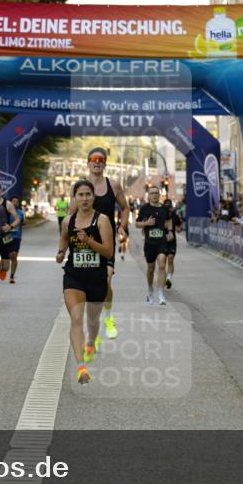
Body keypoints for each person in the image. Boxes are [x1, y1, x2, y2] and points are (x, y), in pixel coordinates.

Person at [67, 148, 129, 338]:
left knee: (106, 280)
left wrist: (122, 226)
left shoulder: (114, 185)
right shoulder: (79, 187)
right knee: (86, 287)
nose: (97, 162)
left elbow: (125, 208)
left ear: (105, 163)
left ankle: (108, 318)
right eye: (93, 159)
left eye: (101, 159)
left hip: (105, 242)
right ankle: (92, 325)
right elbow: (70, 214)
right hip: (83, 243)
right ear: (87, 162)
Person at [56, 180, 114, 384]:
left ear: (93, 197)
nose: (84, 198)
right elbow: (64, 237)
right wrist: (61, 252)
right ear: (75, 198)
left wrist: (89, 241)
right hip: (74, 276)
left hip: (96, 277)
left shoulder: (102, 220)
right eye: (80, 195)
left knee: (92, 320)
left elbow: (109, 251)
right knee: (76, 319)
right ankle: (81, 368)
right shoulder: (68, 221)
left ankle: (91, 340)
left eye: (88, 194)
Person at [136, 185, 173, 306]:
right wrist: (146, 223)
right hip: (149, 243)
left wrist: (170, 231)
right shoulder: (144, 209)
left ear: (159, 195)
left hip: (161, 242)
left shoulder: (164, 208)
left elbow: (169, 220)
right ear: (148, 195)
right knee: (151, 269)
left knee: (162, 264)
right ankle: (150, 290)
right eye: (152, 193)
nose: (154, 195)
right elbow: (137, 224)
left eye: (156, 193)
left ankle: (161, 293)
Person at [163, 198, 183, 289]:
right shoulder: (160, 215)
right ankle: (163, 278)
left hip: (171, 241)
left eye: (169, 206)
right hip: (161, 241)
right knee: (162, 262)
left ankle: (169, 279)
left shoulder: (174, 215)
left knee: (170, 259)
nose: (168, 208)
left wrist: (179, 229)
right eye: (166, 206)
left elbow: (179, 225)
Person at [8, 196, 26, 283]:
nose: (15, 203)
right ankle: (3, 265)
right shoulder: (7, 212)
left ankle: (12, 276)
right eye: (13, 201)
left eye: (16, 202)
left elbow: (23, 224)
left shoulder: (20, 213)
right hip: (7, 236)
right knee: (7, 255)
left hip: (17, 237)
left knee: (14, 255)